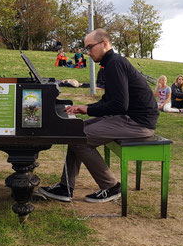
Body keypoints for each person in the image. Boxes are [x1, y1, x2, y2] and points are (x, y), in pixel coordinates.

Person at [38, 28, 159, 203]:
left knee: (79, 138)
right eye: (86, 48)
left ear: (104, 44)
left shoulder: (115, 63)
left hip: (139, 123)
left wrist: (88, 110)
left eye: (90, 47)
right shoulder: (109, 64)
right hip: (127, 117)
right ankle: (65, 188)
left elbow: (119, 105)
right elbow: (109, 101)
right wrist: (85, 107)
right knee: (74, 131)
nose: (87, 52)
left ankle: (111, 186)